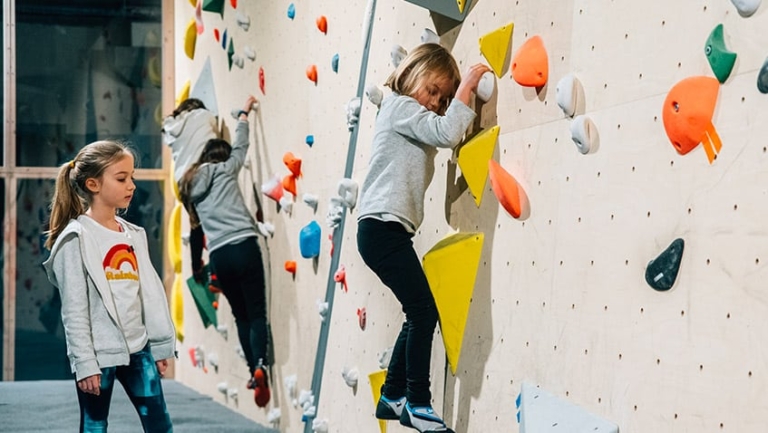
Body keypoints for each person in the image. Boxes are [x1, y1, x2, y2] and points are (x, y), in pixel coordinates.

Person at [356, 43, 491, 433]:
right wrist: (467, 86)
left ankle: (393, 393)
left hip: (387, 229)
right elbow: (448, 133)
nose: (437, 103)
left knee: (416, 311)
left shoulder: (406, 111)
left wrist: (454, 96)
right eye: (433, 91)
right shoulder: (400, 107)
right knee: (422, 311)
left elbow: (440, 129)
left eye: (444, 98)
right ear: (412, 74)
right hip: (382, 228)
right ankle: (417, 400)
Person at [42, 141, 176, 433]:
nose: (131, 186)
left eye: (132, 177)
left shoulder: (132, 234)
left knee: (160, 423)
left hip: (139, 348)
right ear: (93, 184)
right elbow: (74, 311)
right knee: (94, 424)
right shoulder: (75, 240)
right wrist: (85, 363)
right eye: (121, 178)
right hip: (99, 355)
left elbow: (148, 296)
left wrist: (161, 344)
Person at [178, 95, 272, 407]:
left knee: (241, 316)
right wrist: (244, 115)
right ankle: (261, 364)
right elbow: (243, 149)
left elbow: (195, 231)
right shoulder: (224, 169)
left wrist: (196, 267)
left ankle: (252, 370)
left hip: (219, 256)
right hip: (244, 244)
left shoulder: (192, 186)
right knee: (257, 312)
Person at [162, 98, 218, 287]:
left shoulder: (171, 126)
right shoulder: (204, 115)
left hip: (183, 181)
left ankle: (196, 268)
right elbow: (215, 131)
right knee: (213, 222)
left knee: (196, 224)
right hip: (201, 172)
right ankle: (216, 274)